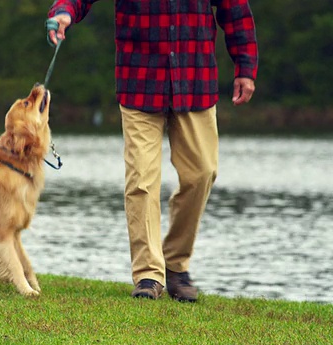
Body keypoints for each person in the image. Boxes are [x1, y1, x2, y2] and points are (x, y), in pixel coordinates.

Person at [47, 0, 258, 302]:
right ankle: (148, 274)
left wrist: (245, 67)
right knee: (141, 180)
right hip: (140, 81)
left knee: (202, 173)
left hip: (195, 79)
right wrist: (64, 11)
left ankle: (175, 263)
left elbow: (235, 10)